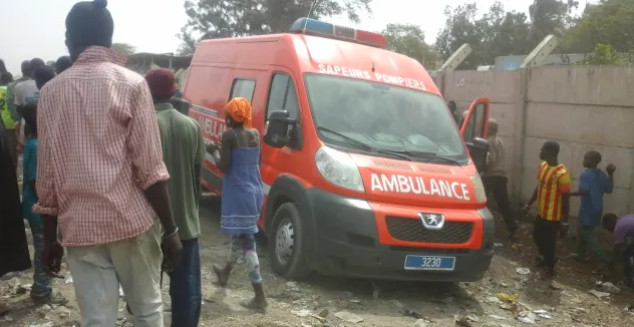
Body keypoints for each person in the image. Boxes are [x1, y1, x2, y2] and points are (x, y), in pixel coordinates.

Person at [34, 1, 182, 326]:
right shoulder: (132, 84)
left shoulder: (49, 93)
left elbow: (46, 178)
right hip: (130, 224)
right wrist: (170, 229)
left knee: (97, 320)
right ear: (109, 38)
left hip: (79, 228)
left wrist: (50, 239)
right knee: (146, 311)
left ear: (71, 41)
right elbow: (150, 170)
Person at [146, 68, 204, 327]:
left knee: (147, 294)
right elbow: (196, 178)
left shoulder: (142, 127)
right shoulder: (191, 126)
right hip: (186, 226)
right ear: (173, 92)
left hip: (148, 225)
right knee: (187, 292)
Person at [209, 97, 267, 311]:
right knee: (241, 234)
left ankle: (259, 295)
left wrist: (212, 150)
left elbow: (223, 166)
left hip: (240, 192)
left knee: (247, 242)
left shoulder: (229, 135)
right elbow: (253, 162)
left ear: (228, 116)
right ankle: (225, 272)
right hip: (254, 191)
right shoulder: (255, 135)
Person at [21, 66, 57, 304]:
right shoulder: (37, 146)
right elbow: (35, 182)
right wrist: (47, 207)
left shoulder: (32, 144)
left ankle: (41, 287)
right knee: (44, 249)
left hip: (32, 206)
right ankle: (41, 290)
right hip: (38, 208)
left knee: (42, 248)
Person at [523, 141, 571, 278]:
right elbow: (538, 187)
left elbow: (566, 199)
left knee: (549, 242)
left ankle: (549, 268)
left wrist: (565, 222)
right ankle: (547, 259)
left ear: (551, 153)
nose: (540, 152)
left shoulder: (562, 173)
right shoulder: (543, 166)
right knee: (537, 236)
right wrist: (528, 204)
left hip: (553, 216)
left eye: (543, 150)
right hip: (541, 212)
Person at [569, 151, 614, 263]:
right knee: (581, 229)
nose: (583, 160)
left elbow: (584, 191)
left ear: (593, 161)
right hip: (597, 207)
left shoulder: (586, 174)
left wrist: (567, 194)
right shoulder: (602, 174)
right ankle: (581, 255)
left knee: (587, 234)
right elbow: (609, 190)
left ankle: (604, 260)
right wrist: (611, 174)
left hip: (588, 208)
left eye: (586, 158)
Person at [482, 119, 517, 241]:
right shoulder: (499, 141)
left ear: (489, 129)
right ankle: (512, 227)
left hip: (490, 176)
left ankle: (480, 227)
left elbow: (490, 159)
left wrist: (480, 163)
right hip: (501, 176)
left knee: (480, 202)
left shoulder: (488, 142)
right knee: (504, 204)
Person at [14, 58, 45, 155]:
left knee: (30, 156)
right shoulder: (52, 83)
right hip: (47, 124)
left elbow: (19, 108)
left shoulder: (19, 86)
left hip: (28, 127)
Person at [597, 213, 634, 289]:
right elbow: (623, 243)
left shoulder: (618, 229)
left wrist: (610, 266)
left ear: (609, 227)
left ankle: (631, 281)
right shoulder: (622, 220)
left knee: (628, 257)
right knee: (628, 252)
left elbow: (617, 249)